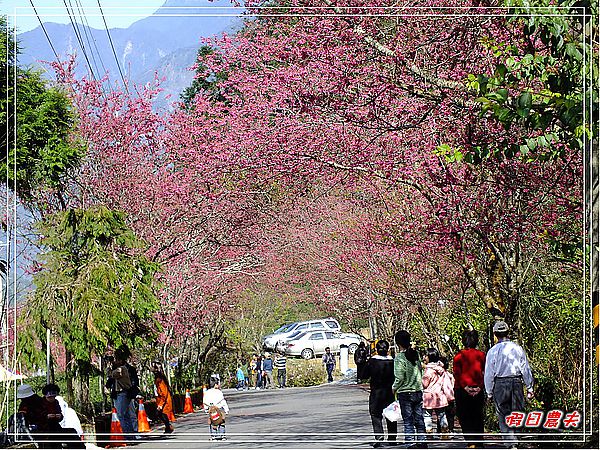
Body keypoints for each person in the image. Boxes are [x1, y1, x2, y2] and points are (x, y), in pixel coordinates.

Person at [485, 321, 534, 449]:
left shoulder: (492, 351)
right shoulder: (517, 348)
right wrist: (530, 387)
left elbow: (489, 373)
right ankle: (517, 439)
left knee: (503, 413)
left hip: (500, 384)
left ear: (495, 334)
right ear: (508, 332)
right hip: (516, 382)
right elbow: (525, 368)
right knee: (517, 411)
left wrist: (489, 392)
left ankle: (511, 443)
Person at [356, 340, 397, 448]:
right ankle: (392, 438)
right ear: (387, 349)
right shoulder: (393, 361)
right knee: (391, 414)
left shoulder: (372, 361)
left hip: (376, 392)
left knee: (375, 414)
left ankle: (379, 437)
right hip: (390, 391)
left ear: (377, 350)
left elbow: (364, 375)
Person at [393, 330, 427, 449]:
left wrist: (394, 388)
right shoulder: (416, 354)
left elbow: (400, 377)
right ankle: (422, 441)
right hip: (417, 391)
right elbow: (420, 371)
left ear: (398, 343)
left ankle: (411, 443)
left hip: (405, 393)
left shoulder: (399, 358)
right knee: (419, 418)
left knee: (408, 421)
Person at [453, 329, 486, 449]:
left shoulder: (459, 356)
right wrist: (480, 387)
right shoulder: (481, 355)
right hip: (477, 390)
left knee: (464, 416)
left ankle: (471, 442)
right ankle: (479, 442)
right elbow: (485, 373)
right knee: (477, 415)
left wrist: (465, 387)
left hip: (462, 390)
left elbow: (457, 373)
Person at [422, 348, 452, 438]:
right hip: (440, 396)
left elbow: (424, 384)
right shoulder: (441, 370)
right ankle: (445, 433)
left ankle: (429, 433)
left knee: (427, 415)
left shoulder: (428, 370)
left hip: (429, 397)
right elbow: (445, 382)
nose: (424, 357)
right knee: (442, 415)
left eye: (425, 355)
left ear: (429, 357)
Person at [106, 353, 137, 439]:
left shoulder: (122, 369)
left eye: (116, 360)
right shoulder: (121, 369)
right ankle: (131, 437)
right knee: (126, 415)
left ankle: (127, 437)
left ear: (121, 361)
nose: (114, 362)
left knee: (121, 415)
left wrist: (109, 366)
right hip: (122, 394)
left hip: (123, 394)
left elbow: (111, 374)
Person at [203, 375, 230, 440]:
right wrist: (226, 409)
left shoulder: (207, 392)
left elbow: (205, 402)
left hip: (211, 410)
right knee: (221, 422)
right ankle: (222, 435)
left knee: (212, 422)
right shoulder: (219, 392)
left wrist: (206, 410)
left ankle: (213, 436)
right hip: (219, 409)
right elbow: (223, 401)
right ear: (215, 385)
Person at [151, 364, 175, 434]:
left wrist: (161, 404)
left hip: (164, 401)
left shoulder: (160, 380)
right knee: (160, 414)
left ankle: (168, 427)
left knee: (161, 414)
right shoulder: (158, 379)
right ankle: (168, 427)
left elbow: (164, 393)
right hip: (161, 400)